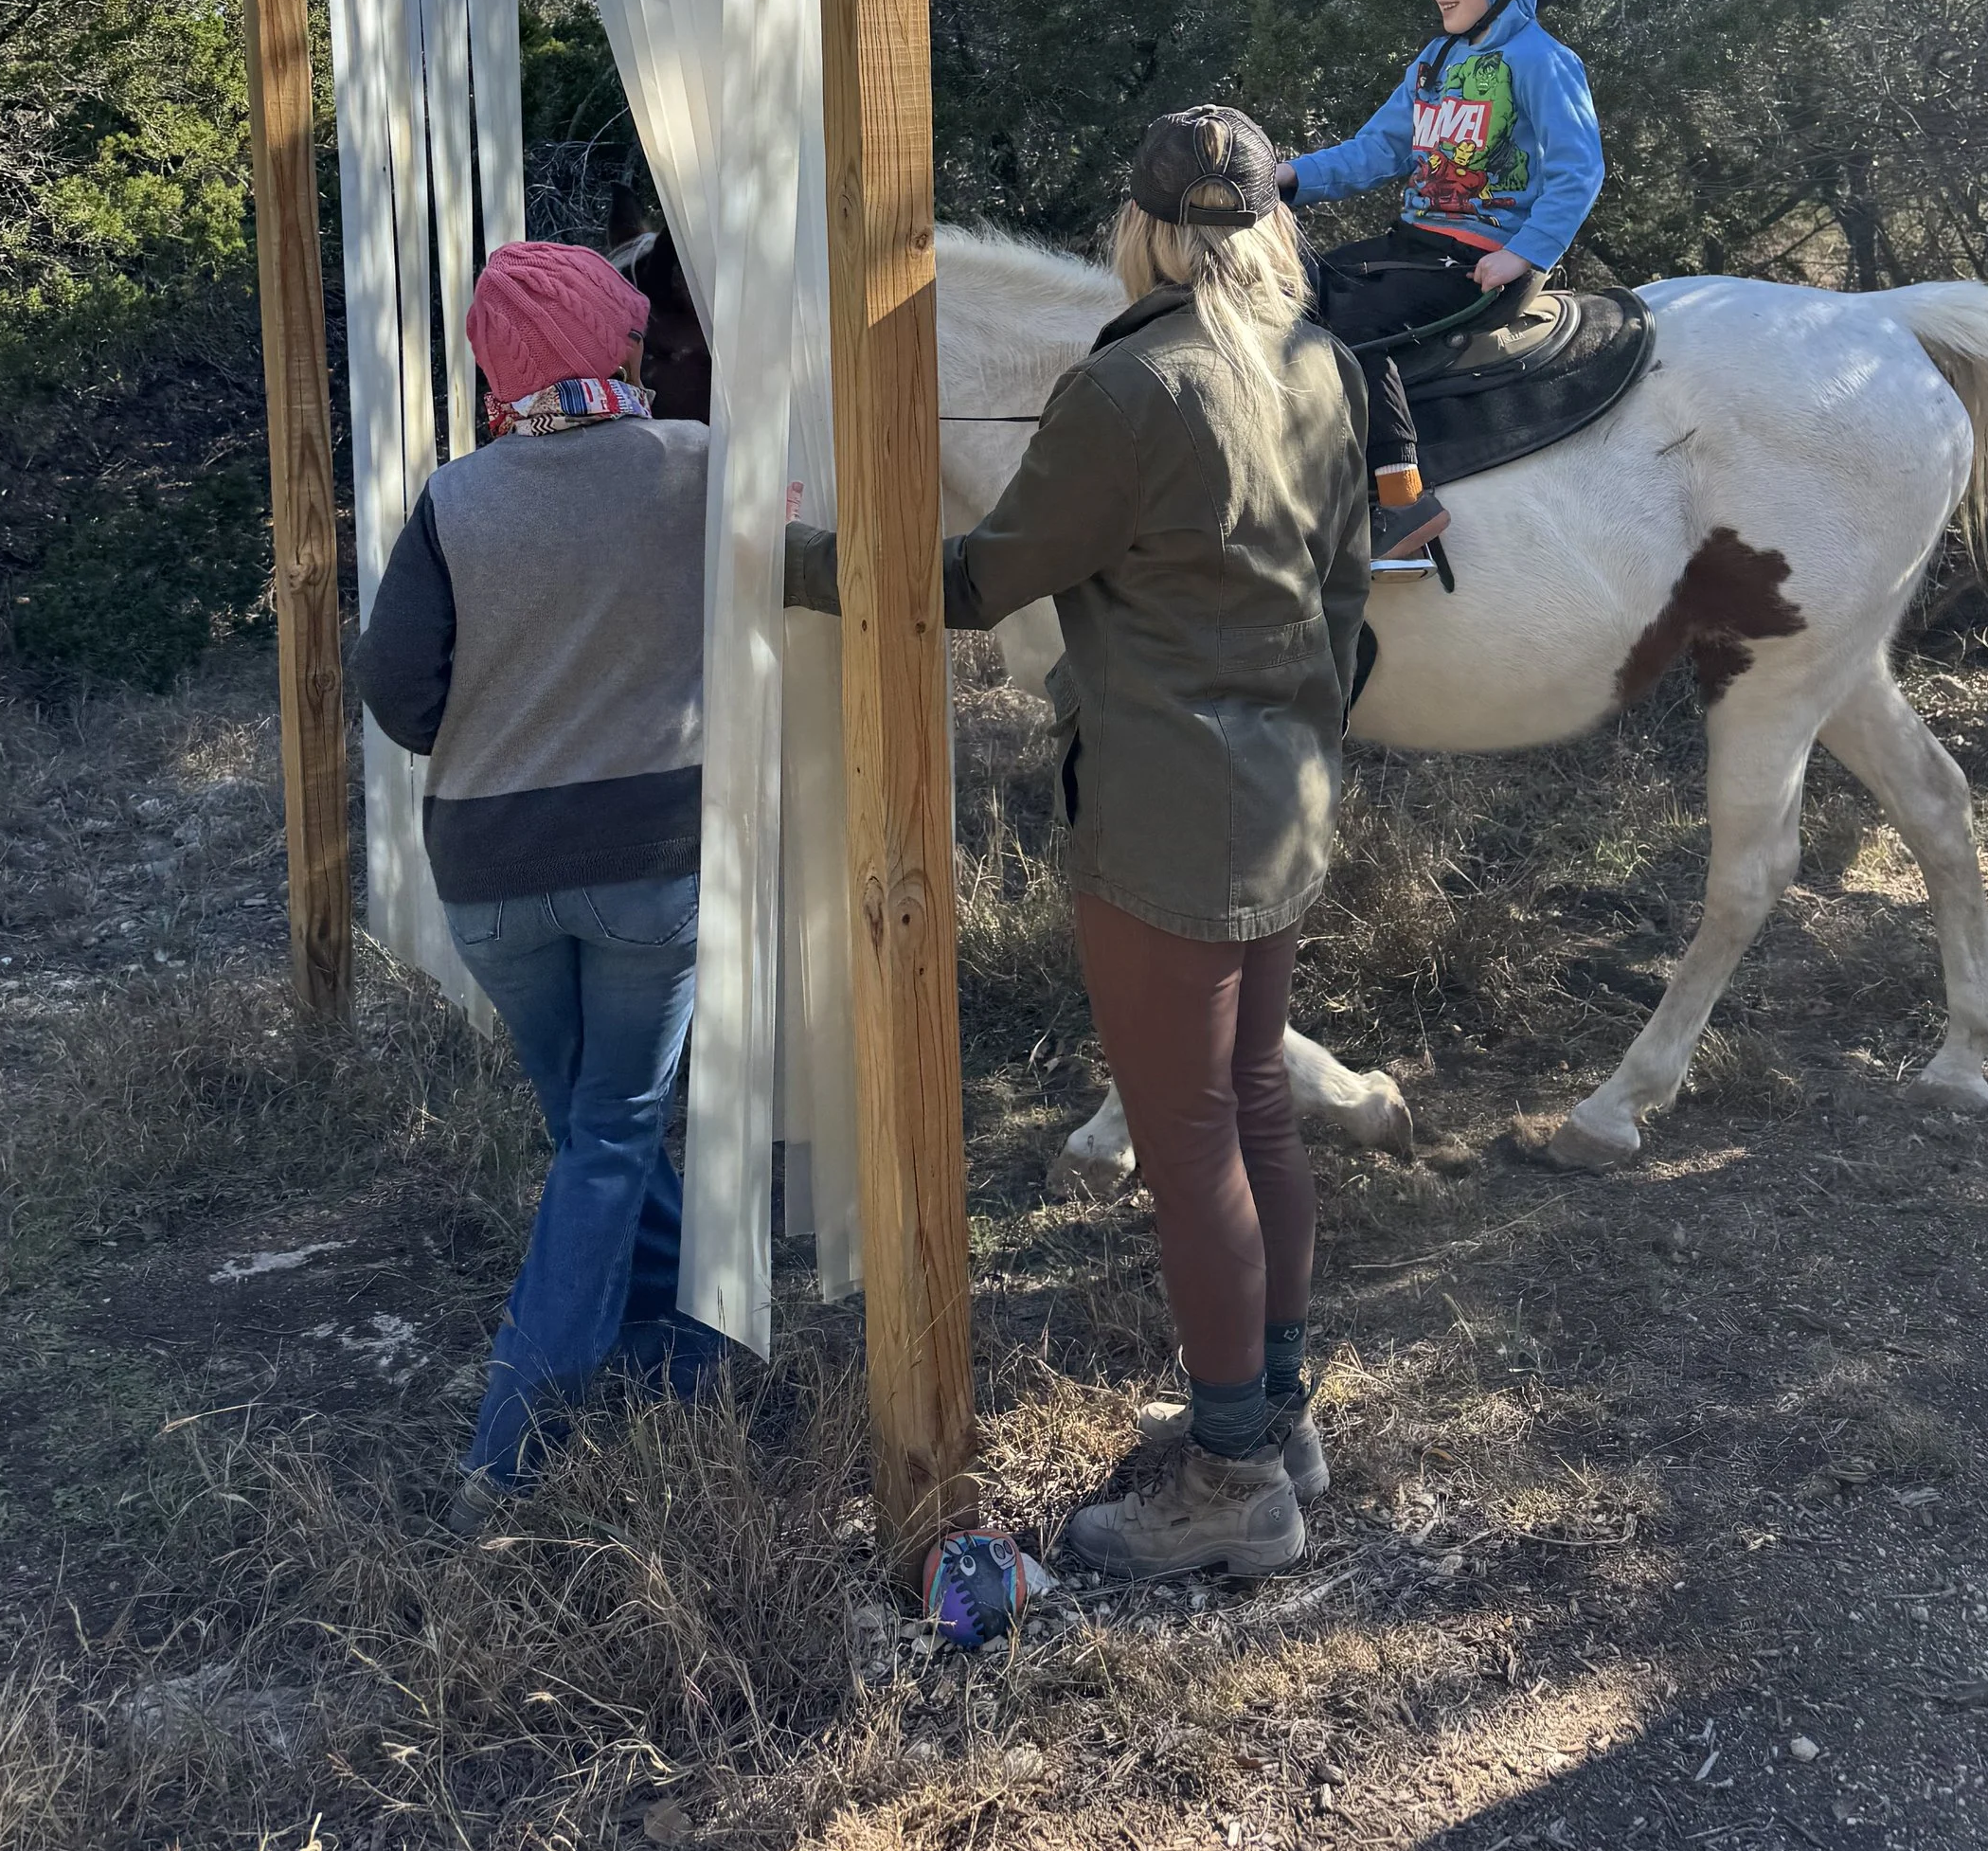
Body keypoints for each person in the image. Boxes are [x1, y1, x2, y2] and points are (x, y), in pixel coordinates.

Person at [785, 107, 1370, 1582]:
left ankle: (1235, 1478)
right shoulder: (1326, 366)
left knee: (1189, 1139)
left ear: (1146, 229)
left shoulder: (1133, 385)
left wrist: (787, 557)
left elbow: (985, 581)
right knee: (1253, 1110)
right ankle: (1271, 1416)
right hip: (1288, 792)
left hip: (1169, 813)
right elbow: (1349, 601)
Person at [353, 237, 730, 1520]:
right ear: (618, 344)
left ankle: (693, 1357)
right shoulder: (695, 468)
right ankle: (505, 1459)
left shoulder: (457, 500)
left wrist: (508, 715)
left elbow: (399, 692)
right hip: (647, 867)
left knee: (591, 1131)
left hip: (490, 872)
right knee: (612, 1133)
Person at [1281, 0, 1603, 567]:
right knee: (1288, 286)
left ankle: (1401, 499)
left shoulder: (1542, 62)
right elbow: (1380, 148)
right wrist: (1289, 178)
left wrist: (1526, 253)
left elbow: (1580, 169)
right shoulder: (1433, 62)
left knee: (1357, 328)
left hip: (1484, 263)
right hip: (1418, 246)